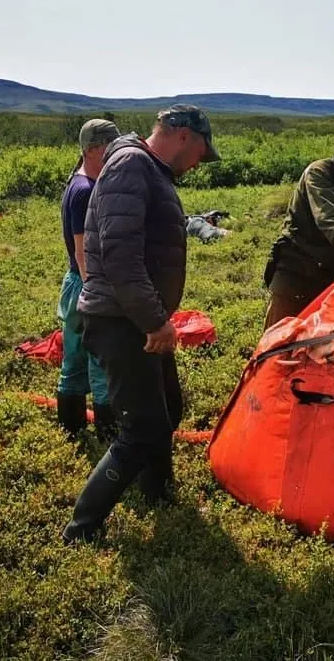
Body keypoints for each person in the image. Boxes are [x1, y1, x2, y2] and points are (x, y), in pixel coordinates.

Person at [62, 104, 219, 544]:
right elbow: (119, 255)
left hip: (140, 318)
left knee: (167, 409)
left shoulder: (149, 169)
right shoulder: (132, 164)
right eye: (200, 153)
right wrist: (154, 321)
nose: (197, 165)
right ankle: (81, 529)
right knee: (141, 428)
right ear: (184, 135)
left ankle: (159, 493)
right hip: (122, 321)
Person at [262, 122, 334, 329]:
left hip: (330, 273)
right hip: (296, 267)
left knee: (319, 339)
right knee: (278, 337)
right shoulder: (318, 173)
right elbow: (329, 216)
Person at [55, 119, 121, 440]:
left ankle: (72, 426)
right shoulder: (85, 191)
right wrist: (97, 295)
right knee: (100, 359)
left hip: (76, 284)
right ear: (93, 149)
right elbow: (83, 252)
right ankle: (109, 432)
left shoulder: (81, 184)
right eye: (110, 146)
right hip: (86, 283)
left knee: (75, 356)